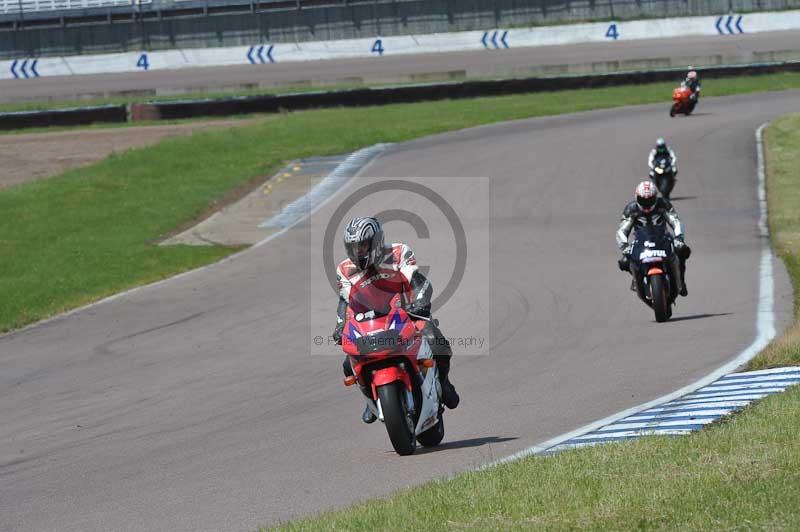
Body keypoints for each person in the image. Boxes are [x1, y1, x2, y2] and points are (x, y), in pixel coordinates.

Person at [333, 216, 460, 424]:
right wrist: (340, 324)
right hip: (370, 322)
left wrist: (420, 302)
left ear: (375, 242)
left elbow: (419, 282)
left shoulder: (398, 252)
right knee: (349, 364)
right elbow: (344, 302)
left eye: (363, 246)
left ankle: (443, 382)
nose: (359, 252)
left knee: (435, 339)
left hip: (406, 314)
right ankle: (372, 400)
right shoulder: (344, 269)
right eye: (354, 247)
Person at [616, 181, 691, 297]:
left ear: (655, 198)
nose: (646, 204)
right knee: (624, 262)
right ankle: (636, 279)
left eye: (649, 200)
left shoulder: (663, 204)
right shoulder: (631, 209)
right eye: (643, 200)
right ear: (637, 198)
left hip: (663, 237)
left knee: (683, 251)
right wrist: (625, 246)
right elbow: (622, 230)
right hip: (641, 241)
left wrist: (679, 237)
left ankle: (681, 280)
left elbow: (675, 221)